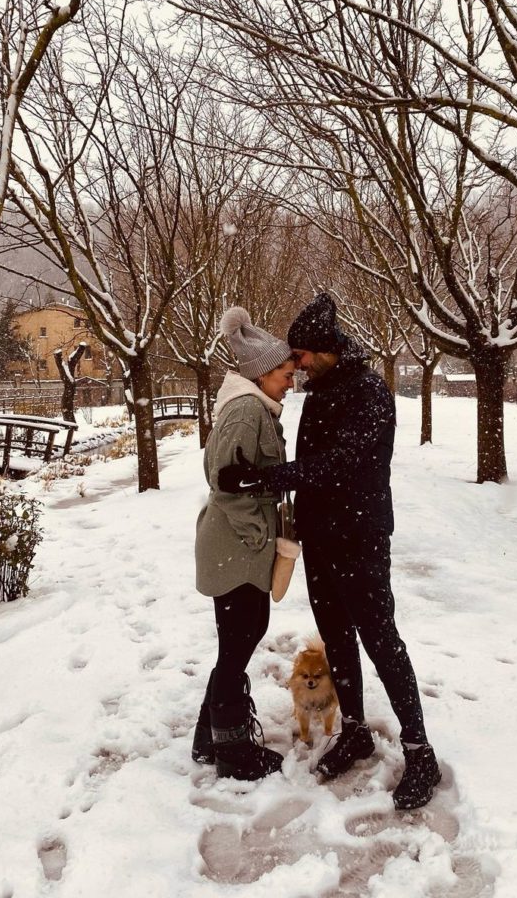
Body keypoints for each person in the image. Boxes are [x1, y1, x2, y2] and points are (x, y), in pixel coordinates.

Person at [218, 293, 440, 810]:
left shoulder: (369, 392)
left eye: (300, 355)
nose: (295, 365)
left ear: (324, 348)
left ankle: (420, 751)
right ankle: (355, 731)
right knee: (337, 638)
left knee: (381, 640)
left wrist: (265, 477)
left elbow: (340, 463)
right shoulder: (320, 391)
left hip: (360, 537)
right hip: (320, 537)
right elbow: (312, 462)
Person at [192, 306, 296, 781]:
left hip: (242, 544)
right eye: (286, 374)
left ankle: (209, 736)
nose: (291, 382)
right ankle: (233, 753)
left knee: (243, 637)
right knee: (237, 644)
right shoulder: (246, 410)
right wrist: (259, 533)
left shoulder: (257, 409)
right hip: (235, 545)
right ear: (262, 373)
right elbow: (224, 480)